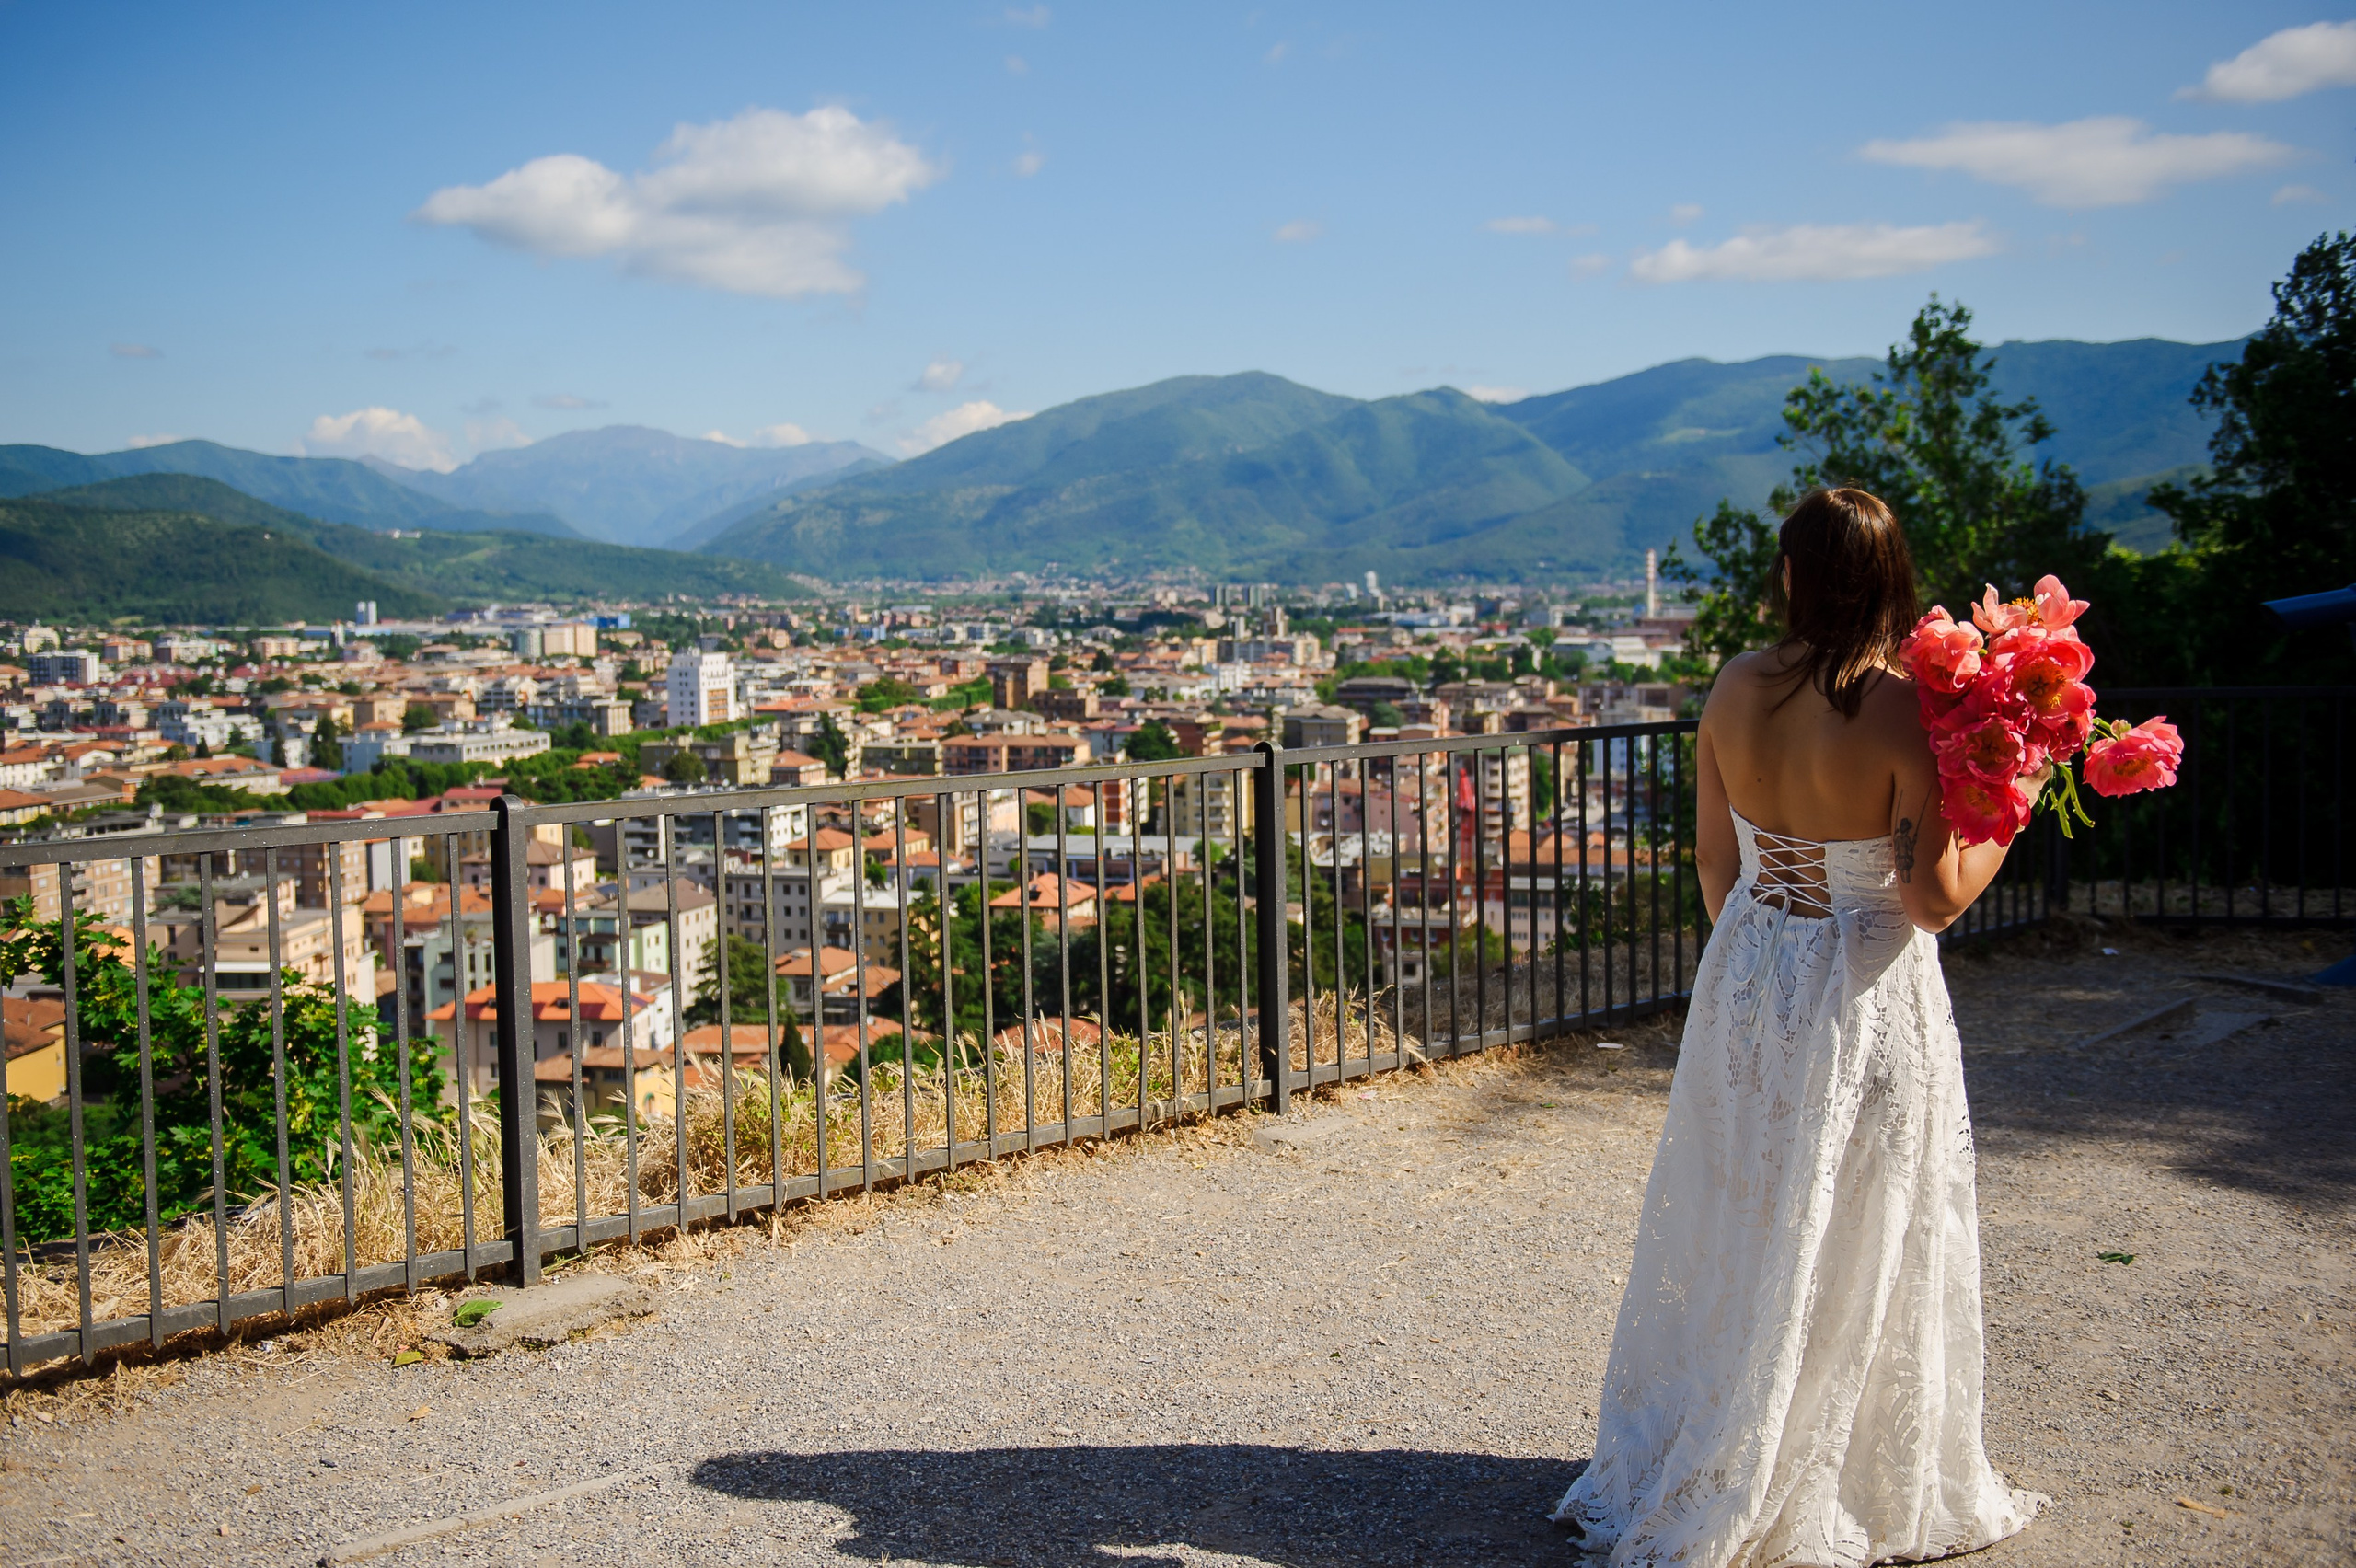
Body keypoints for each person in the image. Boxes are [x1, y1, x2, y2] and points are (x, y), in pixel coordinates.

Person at [1553, 488, 2043, 1565]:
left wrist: (1761, 962)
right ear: (1894, 580)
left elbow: (1713, 863)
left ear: (1792, 576)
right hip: (1862, 985)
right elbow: (1933, 900)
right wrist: (2016, 795)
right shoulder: (1906, 712)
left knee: (1751, 1204)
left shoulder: (1733, 684)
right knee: (1862, 1211)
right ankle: (1826, 1461)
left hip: (1751, 965)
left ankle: (1720, 1436)